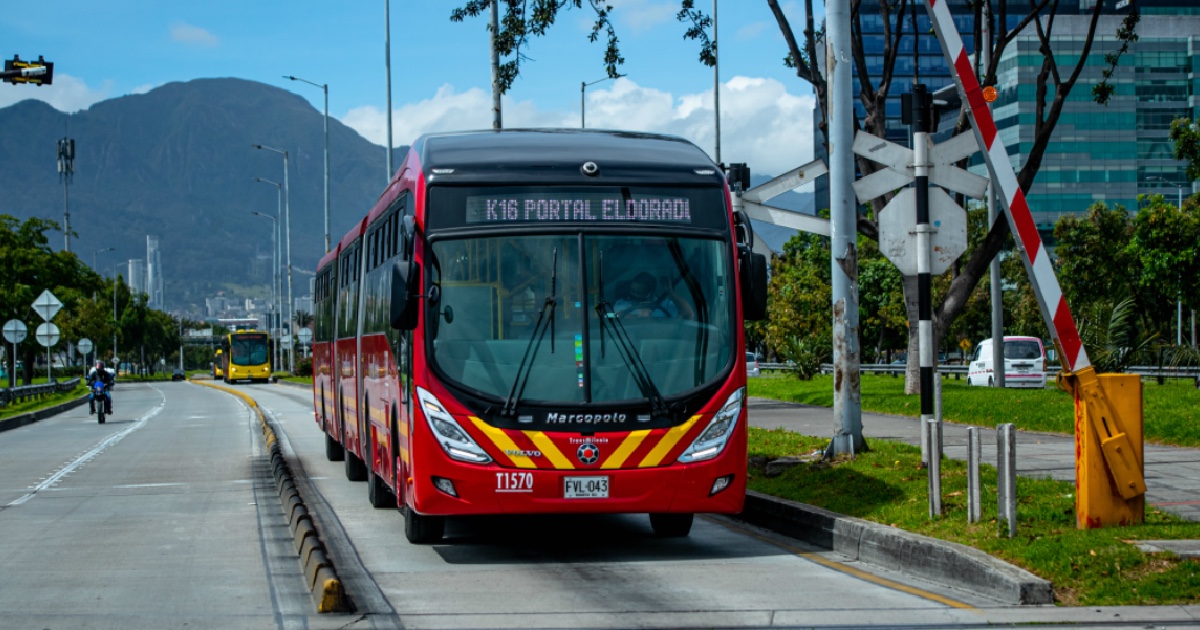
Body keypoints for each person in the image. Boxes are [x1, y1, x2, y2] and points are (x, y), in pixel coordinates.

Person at [613, 271, 694, 319]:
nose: (634, 294)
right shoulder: (623, 303)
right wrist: (639, 318)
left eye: (639, 292)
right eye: (632, 290)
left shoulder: (664, 304)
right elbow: (618, 317)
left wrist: (670, 293)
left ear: (650, 292)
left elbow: (688, 314)